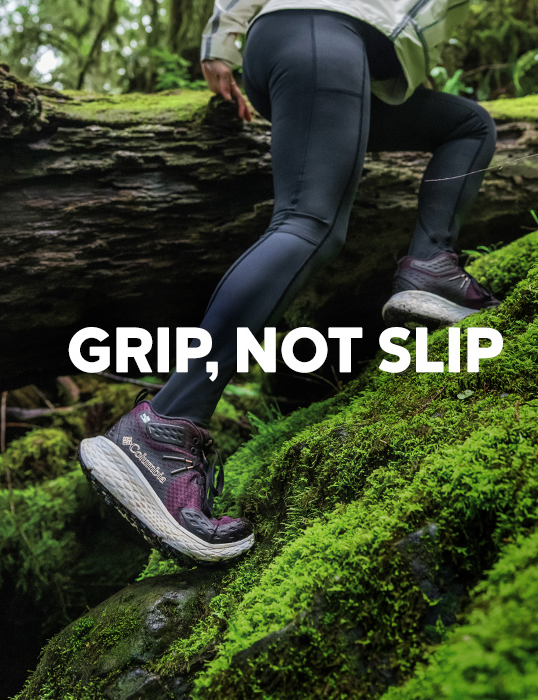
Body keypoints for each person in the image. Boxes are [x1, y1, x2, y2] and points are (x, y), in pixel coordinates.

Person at [79, 0, 499, 564]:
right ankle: (167, 425)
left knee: (468, 125)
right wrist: (221, 38)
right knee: (308, 224)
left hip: (334, 52)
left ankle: (430, 265)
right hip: (320, 30)